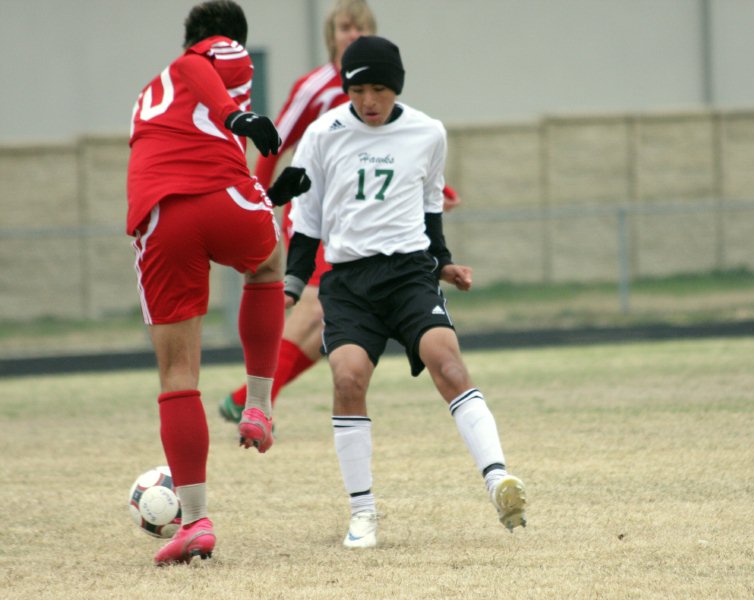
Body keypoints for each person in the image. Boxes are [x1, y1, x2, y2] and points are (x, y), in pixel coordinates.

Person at [281, 35, 527, 549]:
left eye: (379, 89)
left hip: (409, 276)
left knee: (451, 364)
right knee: (348, 379)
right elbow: (306, 221)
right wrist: (292, 285)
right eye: (358, 90)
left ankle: (498, 478)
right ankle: (363, 514)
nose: (368, 101)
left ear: (396, 89)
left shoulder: (428, 133)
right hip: (348, 284)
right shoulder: (323, 135)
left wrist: (444, 264)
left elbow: (430, 206)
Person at [219, 0, 461, 425]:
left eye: (361, 29)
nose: (353, 35)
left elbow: (396, 154)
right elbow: (275, 143)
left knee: (322, 324)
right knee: (313, 312)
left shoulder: (377, 88)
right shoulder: (316, 87)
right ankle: (252, 398)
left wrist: (440, 190)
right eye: (346, 28)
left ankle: (250, 397)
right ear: (332, 35)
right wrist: (260, 203)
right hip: (318, 220)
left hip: (362, 222)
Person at [127, 0, 293, 565]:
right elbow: (203, 66)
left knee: (178, 375)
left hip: (160, 216)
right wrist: (237, 114)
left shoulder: (151, 93)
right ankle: (260, 404)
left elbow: (184, 143)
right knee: (268, 265)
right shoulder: (213, 56)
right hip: (221, 198)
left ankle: (195, 520)